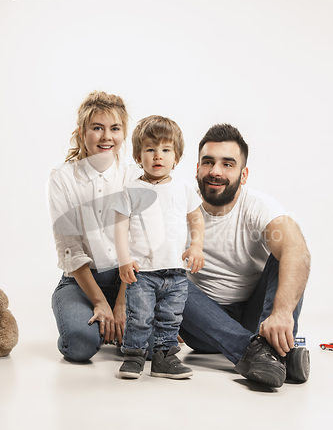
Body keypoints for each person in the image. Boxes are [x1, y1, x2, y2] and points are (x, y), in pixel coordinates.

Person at [179, 124, 311, 388]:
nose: (215, 171)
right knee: (169, 278)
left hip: (256, 318)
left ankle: (265, 352)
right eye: (208, 162)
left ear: (243, 174)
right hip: (201, 322)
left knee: (289, 253)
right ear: (197, 169)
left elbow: (298, 252)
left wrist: (282, 313)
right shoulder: (178, 203)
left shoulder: (258, 206)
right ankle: (273, 354)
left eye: (228, 164)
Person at [49, 91, 142, 362]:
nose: (106, 137)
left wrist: (122, 301)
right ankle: (98, 324)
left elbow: (137, 244)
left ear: (124, 133)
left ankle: (113, 325)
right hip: (80, 282)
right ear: (82, 132)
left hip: (129, 280)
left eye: (114, 129)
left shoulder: (134, 176)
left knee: (147, 345)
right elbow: (70, 250)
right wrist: (101, 301)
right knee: (79, 346)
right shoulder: (62, 178)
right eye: (97, 128)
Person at [113, 115, 205, 379]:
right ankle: (133, 356)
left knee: (170, 318)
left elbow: (196, 218)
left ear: (176, 157)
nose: (158, 156)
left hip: (175, 271)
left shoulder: (183, 188)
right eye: (150, 149)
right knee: (139, 317)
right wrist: (123, 259)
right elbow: (120, 227)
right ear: (138, 156)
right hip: (142, 272)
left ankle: (164, 358)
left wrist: (197, 245)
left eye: (166, 150)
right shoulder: (130, 190)